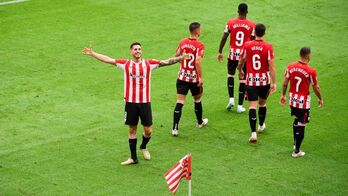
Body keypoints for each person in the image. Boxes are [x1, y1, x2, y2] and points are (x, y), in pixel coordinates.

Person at [82, 42, 188, 165]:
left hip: (145, 103)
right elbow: (108, 59)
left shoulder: (149, 64)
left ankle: (143, 146)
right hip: (131, 103)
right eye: (135, 49)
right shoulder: (125, 64)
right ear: (131, 52)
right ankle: (133, 158)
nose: (138, 51)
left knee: (148, 130)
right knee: (132, 128)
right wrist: (92, 53)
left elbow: (167, 61)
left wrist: (180, 58)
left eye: (139, 49)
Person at [280, 47, 323, 158]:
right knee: (302, 124)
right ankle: (297, 151)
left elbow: (285, 83)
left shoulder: (290, 66)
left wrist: (283, 95)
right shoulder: (311, 71)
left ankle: (295, 144)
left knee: (296, 119)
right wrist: (320, 98)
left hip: (292, 99)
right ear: (308, 56)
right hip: (303, 102)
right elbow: (316, 87)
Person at [238, 23, 276, 142]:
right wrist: (274, 82)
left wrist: (240, 71)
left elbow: (241, 60)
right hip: (264, 81)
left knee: (252, 107)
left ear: (254, 32)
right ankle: (261, 126)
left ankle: (253, 134)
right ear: (264, 33)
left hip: (251, 81)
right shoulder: (268, 47)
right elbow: (271, 67)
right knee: (263, 104)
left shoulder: (247, 45)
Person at [171, 22, 208, 136]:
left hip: (182, 77)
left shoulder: (182, 42)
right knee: (197, 100)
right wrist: (200, 77)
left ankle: (175, 128)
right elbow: (197, 61)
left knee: (180, 101)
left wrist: (182, 64)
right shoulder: (199, 45)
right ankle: (199, 122)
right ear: (197, 31)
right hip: (193, 79)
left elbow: (176, 55)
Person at [217, 3, 255, 112]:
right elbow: (252, 42)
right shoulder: (252, 25)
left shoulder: (230, 23)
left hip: (232, 54)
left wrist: (220, 51)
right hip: (244, 56)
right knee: (242, 79)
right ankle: (239, 106)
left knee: (230, 75)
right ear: (247, 11)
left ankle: (231, 99)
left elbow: (224, 37)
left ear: (237, 11)